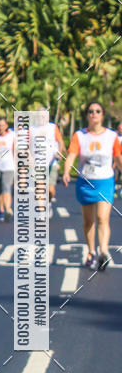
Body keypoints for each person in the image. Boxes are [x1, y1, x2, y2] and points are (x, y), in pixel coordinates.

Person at [62, 100, 122, 270]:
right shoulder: (80, 135)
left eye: (97, 111)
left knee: (103, 218)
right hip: (85, 182)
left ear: (102, 115)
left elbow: (117, 158)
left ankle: (103, 252)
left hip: (105, 182)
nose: (94, 114)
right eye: (90, 111)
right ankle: (91, 252)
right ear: (87, 115)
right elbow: (71, 155)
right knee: (88, 221)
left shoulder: (111, 136)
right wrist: (66, 172)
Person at [31, 108, 66, 218]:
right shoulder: (31, 129)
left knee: (50, 190)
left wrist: (59, 152)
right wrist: (29, 157)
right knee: (40, 188)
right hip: (37, 164)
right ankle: (41, 212)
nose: (41, 118)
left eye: (44, 116)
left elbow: (60, 142)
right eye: (39, 116)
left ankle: (48, 202)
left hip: (52, 162)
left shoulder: (52, 127)